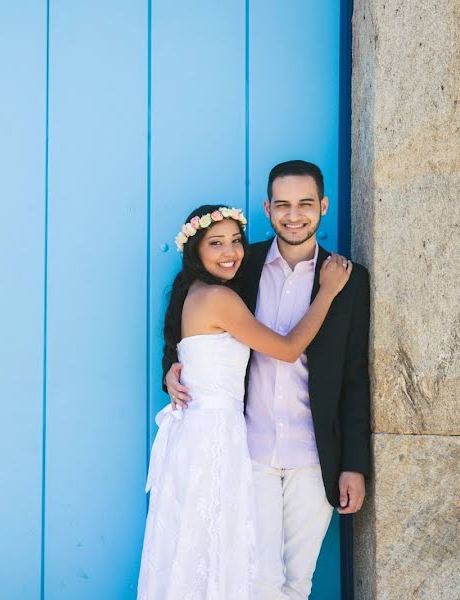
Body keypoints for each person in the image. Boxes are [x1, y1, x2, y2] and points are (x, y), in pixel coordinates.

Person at [163, 161, 372, 599]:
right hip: (249, 451)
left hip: (315, 454)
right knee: (256, 580)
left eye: (305, 204)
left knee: (298, 583)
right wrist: (174, 365)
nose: (293, 215)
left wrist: (354, 463)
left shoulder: (347, 280)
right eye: (282, 205)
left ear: (323, 207)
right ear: (268, 208)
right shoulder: (240, 263)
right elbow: (187, 304)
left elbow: (354, 376)